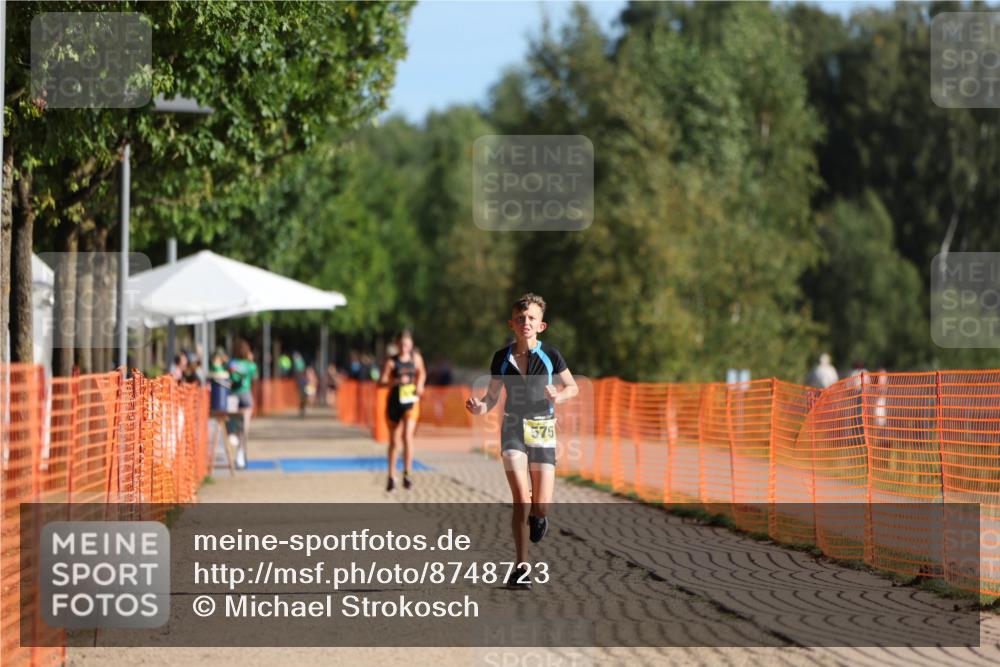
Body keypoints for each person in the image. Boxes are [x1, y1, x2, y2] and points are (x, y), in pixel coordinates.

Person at [465, 293, 578, 590]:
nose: (525, 322)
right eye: (520, 318)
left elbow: (573, 387)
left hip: (543, 429)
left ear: (541, 325)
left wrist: (560, 395)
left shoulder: (551, 355)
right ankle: (521, 567)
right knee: (521, 500)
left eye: (531, 318)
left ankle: (540, 517)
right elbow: (491, 397)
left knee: (541, 505)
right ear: (511, 324)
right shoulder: (501, 358)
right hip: (513, 428)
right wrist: (480, 407)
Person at [378, 330, 426, 492]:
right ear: (397, 345)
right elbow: (381, 382)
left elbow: (422, 373)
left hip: (411, 402)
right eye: (401, 344)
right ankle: (391, 476)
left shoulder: (416, 359)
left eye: (407, 343)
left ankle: (407, 473)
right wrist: (396, 381)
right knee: (394, 441)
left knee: (407, 435)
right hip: (394, 403)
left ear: (411, 344)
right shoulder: (391, 362)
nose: (404, 346)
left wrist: (419, 385)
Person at [227, 339, 258, 469]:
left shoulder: (232, 363)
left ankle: (232, 436)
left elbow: (227, 375)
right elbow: (255, 377)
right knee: (244, 428)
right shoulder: (251, 365)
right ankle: (241, 455)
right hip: (246, 396)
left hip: (233, 396)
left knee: (232, 423)